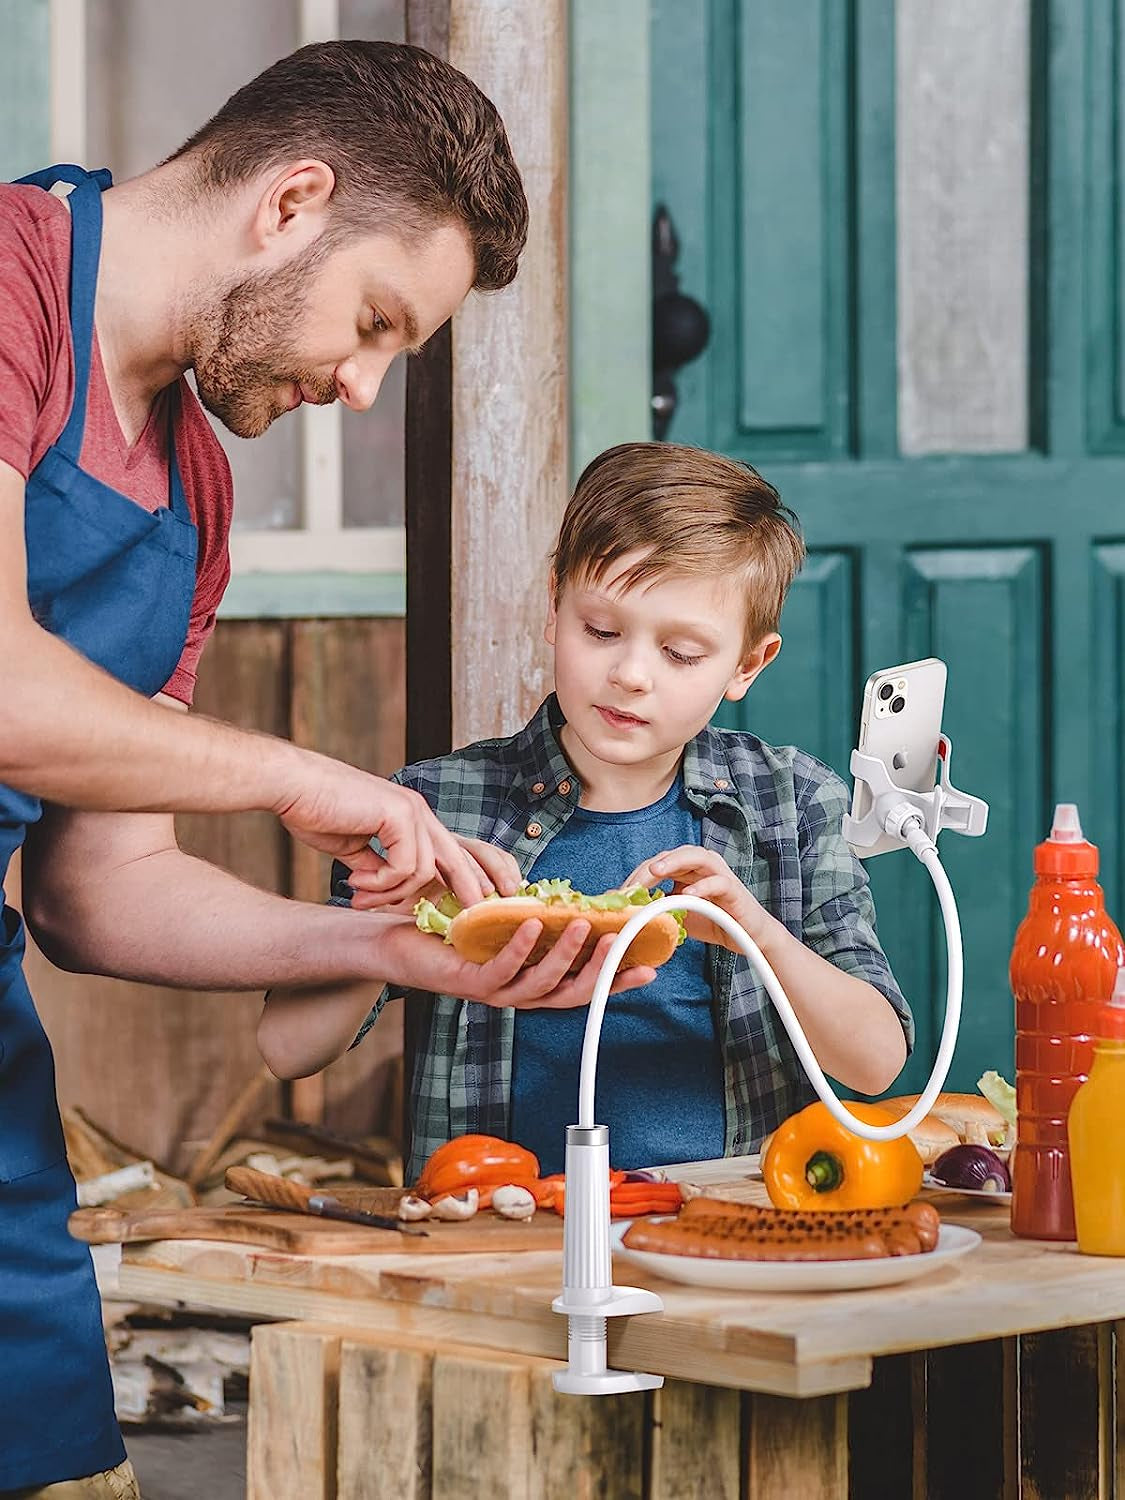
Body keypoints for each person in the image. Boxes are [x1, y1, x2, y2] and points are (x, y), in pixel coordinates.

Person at [0, 39, 613, 1499]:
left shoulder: (194, 492)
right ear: (291, 203)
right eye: (377, 321)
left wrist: (385, 948)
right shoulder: (13, 281)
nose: (361, 384)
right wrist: (293, 777)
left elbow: (96, 887)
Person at [260, 442, 915, 1183]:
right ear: (553, 607)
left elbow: (875, 1063)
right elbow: (288, 1047)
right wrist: (391, 913)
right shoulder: (437, 805)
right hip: (493, 1222)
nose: (630, 674)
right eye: (600, 631)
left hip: (729, 1224)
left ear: (747, 665)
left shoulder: (792, 803)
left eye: (681, 653)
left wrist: (755, 932)